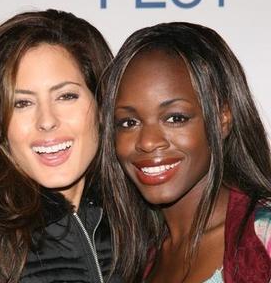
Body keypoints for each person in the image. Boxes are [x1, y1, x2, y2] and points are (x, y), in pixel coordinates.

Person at [0, 9, 120, 283]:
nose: (47, 121)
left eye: (66, 96)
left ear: (102, 104)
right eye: (22, 103)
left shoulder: (145, 225)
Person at [100, 22, 271, 282]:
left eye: (175, 118)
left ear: (222, 117)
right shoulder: (134, 258)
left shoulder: (263, 238)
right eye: (129, 122)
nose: (147, 142)